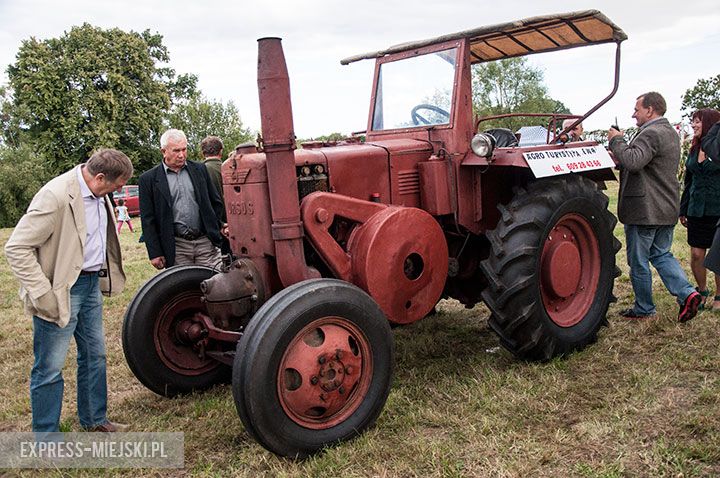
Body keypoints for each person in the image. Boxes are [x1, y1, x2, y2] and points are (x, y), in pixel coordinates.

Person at [4, 149, 133, 432]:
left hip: (89, 287)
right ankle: (46, 437)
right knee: (49, 367)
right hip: (61, 292)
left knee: (94, 356)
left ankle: (94, 420)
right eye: (117, 186)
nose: (119, 191)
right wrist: (43, 293)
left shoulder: (98, 194)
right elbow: (16, 247)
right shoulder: (56, 196)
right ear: (100, 177)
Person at [607, 91, 701, 322]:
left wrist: (617, 140)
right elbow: (645, 164)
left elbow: (633, 161)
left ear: (650, 110)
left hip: (645, 211)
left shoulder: (650, 133)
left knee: (638, 261)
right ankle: (687, 293)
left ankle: (644, 308)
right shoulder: (668, 132)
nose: (633, 115)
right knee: (661, 254)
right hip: (665, 208)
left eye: (637, 110)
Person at [139, 129, 227, 270]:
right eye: (176, 151)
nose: (181, 155)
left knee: (215, 286)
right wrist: (154, 252)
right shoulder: (148, 180)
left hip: (206, 243)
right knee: (184, 290)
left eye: (184, 149)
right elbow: (147, 219)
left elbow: (215, 201)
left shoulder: (200, 170)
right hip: (176, 247)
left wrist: (216, 227)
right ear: (163, 151)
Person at [678, 109, 720, 310]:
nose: (693, 125)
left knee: (718, 254)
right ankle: (702, 290)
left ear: (710, 124)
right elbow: (689, 181)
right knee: (696, 254)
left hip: (717, 209)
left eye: (697, 122)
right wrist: (683, 209)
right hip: (696, 210)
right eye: (692, 121)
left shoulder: (718, 149)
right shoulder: (693, 149)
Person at [200, 135, 231, 255]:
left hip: (213, 226)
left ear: (203, 153)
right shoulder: (230, 169)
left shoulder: (199, 171)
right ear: (221, 151)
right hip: (233, 222)